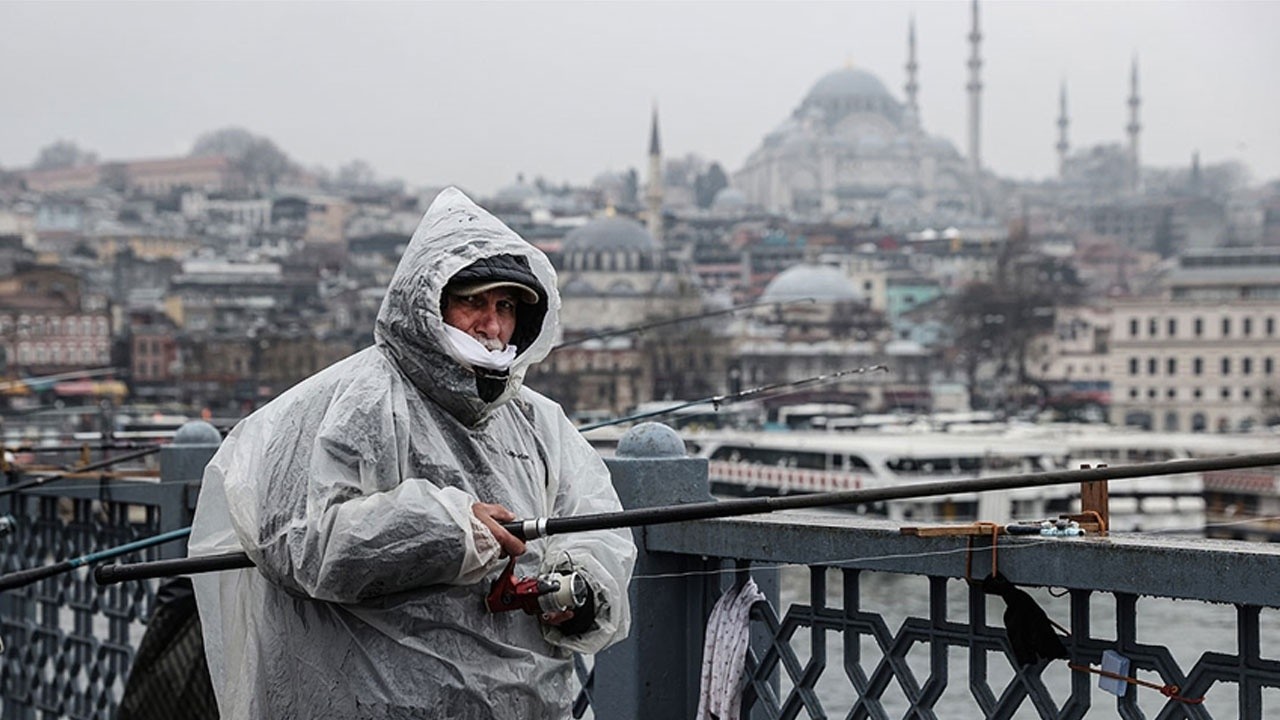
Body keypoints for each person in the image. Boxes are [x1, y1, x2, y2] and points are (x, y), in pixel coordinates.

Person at [188, 187, 636, 719]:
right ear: (429, 302)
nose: (492, 327)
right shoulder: (347, 402)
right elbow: (295, 540)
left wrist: (579, 592)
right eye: (473, 302)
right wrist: (447, 530)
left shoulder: (538, 421)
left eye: (506, 307)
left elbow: (594, 530)